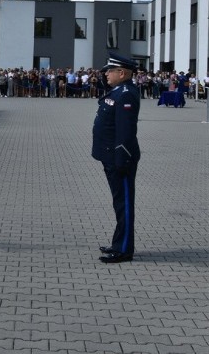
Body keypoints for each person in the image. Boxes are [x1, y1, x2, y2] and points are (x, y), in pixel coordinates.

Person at [91, 53, 141, 264]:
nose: (105, 74)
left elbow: (125, 131)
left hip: (120, 158)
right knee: (118, 202)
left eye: (110, 71)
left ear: (122, 73)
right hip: (110, 156)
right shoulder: (118, 90)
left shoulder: (126, 94)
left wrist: (122, 158)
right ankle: (118, 242)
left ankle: (123, 249)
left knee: (124, 204)